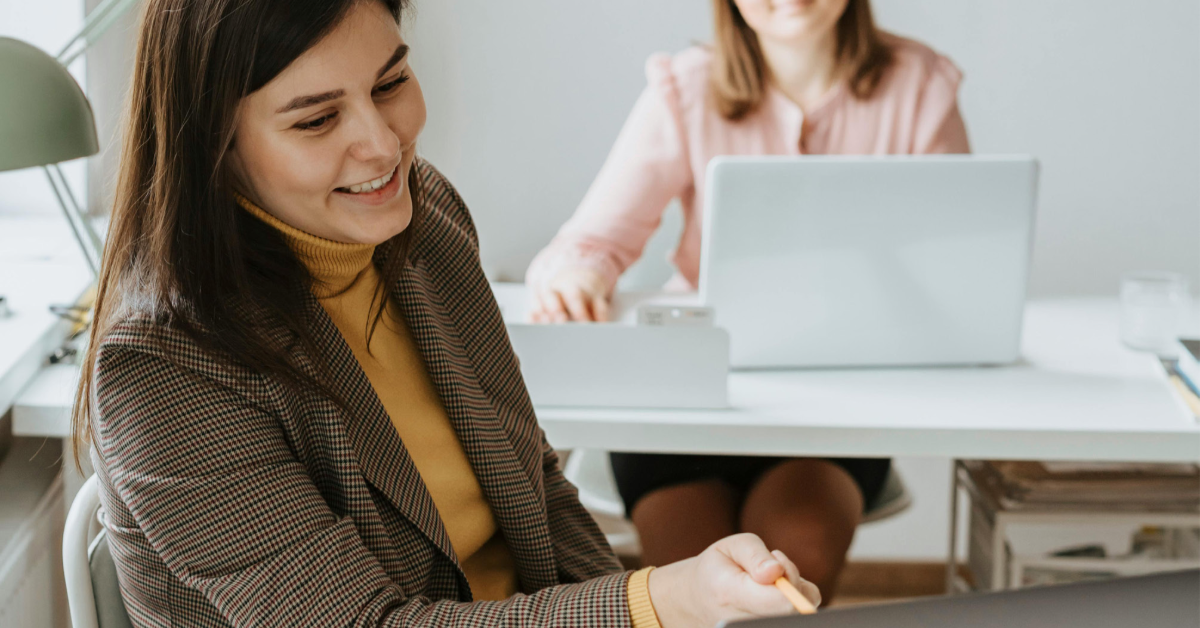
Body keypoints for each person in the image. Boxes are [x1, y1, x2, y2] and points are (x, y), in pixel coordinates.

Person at [71, 1, 820, 626]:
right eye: (315, 121)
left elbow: (538, 491)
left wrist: (655, 611)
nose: (382, 143)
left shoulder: (423, 224)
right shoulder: (165, 366)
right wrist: (660, 600)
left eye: (391, 81)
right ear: (215, 147)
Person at [526, 0, 970, 600]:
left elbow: (958, 257)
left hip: (832, 410)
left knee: (797, 556)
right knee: (696, 582)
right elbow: (589, 244)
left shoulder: (919, 84)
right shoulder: (683, 89)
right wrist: (576, 275)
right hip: (690, 402)